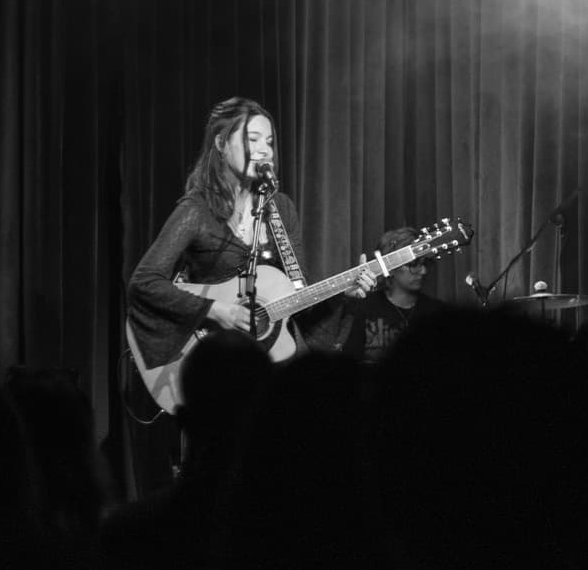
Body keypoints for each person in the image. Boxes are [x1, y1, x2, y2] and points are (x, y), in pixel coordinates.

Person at [128, 97, 375, 379]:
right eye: (253, 139)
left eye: (269, 142)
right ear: (220, 144)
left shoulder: (280, 208)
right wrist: (216, 310)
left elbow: (299, 295)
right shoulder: (197, 210)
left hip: (271, 365)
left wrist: (345, 293)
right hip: (212, 361)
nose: (264, 150)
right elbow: (144, 282)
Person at [342, 225, 444, 361]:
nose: (423, 271)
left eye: (426, 263)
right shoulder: (364, 307)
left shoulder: (438, 312)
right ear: (390, 267)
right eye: (414, 264)